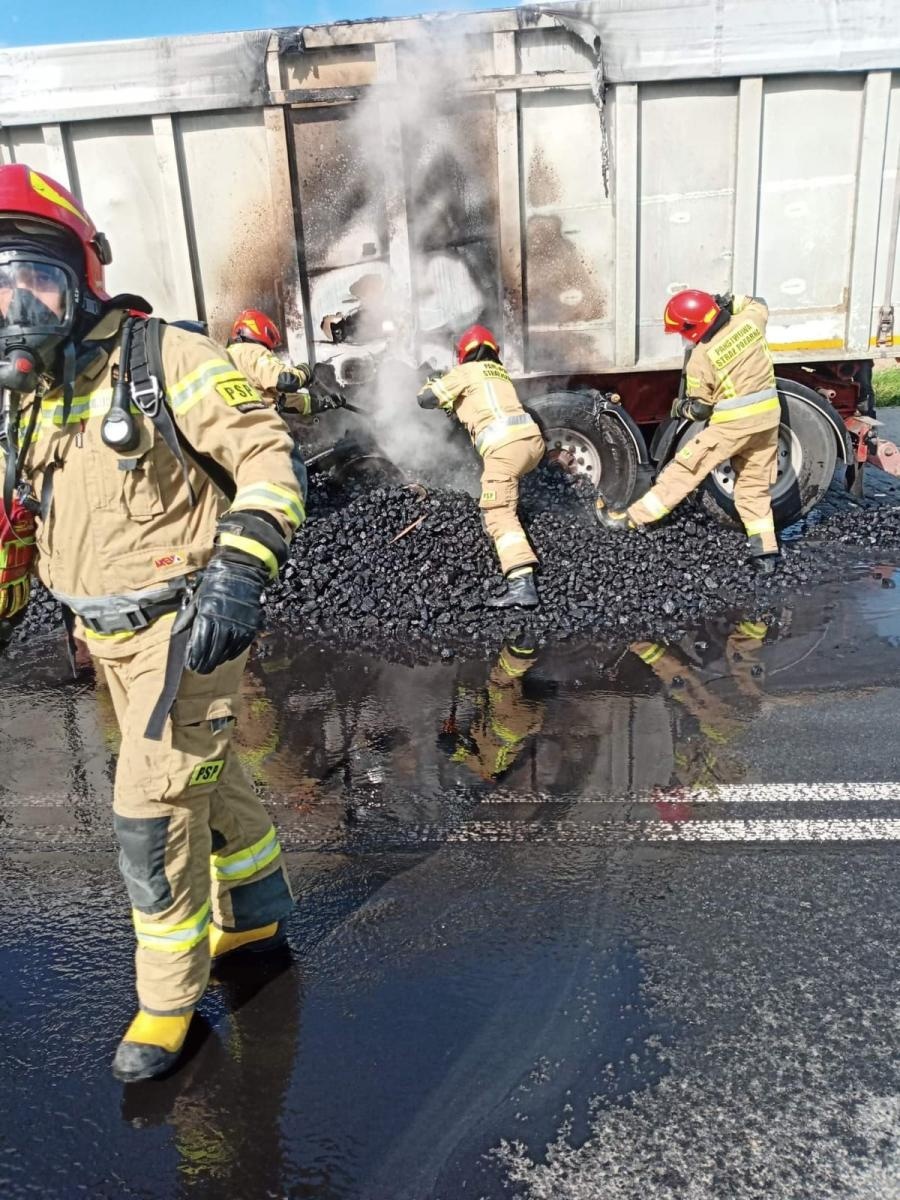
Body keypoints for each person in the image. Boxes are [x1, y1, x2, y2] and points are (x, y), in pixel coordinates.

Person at [0, 164, 306, 1083]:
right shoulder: (32, 397)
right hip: (104, 639)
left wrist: (242, 571)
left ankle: (168, 1003)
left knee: (151, 810)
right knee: (210, 782)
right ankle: (253, 910)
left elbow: (266, 456)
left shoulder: (163, 358)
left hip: (190, 632)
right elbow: (23, 518)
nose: (17, 306)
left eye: (34, 280)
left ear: (81, 277)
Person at [597, 291, 781, 573]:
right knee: (754, 485)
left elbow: (701, 411)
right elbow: (759, 301)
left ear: (695, 326)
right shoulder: (751, 322)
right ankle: (765, 553)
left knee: (685, 469)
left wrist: (681, 406)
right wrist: (729, 300)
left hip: (732, 425)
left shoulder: (701, 357)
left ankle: (632, 519)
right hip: (768, 420)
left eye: (682, 332)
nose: (683, 340)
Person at [417, 325, 545, 608]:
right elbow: (475, 405)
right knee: (506, 493)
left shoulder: (465, 372)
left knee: (497, 510)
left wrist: (432, 383)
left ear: (464, 353)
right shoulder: (499, 374)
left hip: (505, 447)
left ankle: (522, 584)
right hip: (532, 443)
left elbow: (426, 400)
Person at [226, 308, 346, 418]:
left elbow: (280, 400)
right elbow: (286, 380)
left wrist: (322, 403)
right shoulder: (252, 351)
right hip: (258, 430)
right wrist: (304, 371)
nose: (270, 351)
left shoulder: (230, 356)